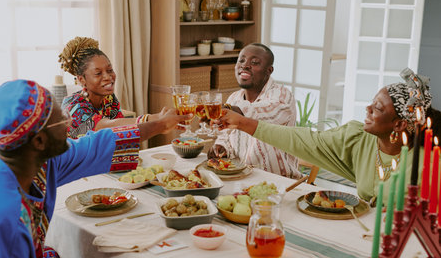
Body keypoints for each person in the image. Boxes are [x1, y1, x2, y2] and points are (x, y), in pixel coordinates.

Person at [0, 79, 191, 258]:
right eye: (62, 120)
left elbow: (97, 144)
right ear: (40, 141)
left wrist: (161, 124)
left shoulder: (38, 160)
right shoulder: (5, 217)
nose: (69, 124)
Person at [215, 68, 441, 203]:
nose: (367, 109)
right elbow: (305, 141)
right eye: (371, 102)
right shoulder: (360, 139)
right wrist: (243, 123)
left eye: (378, 108)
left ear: (400, 124)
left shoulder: (430, 163)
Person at [207, 43, 300, 179]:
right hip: (242, 178)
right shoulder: (234, 98)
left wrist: (235, 110)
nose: (245, 65)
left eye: (255, 62)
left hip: (279, 181)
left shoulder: (282, 95)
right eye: (241, 60)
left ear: (269, 70)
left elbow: (269, 112)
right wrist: (221, 147)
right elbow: (226, 135)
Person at [58, 36, 162, 139]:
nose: (108, 77)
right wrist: (155, 119)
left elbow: (121, 133)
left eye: (110, 70)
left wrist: (159, 120)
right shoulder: (73, 108)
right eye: (98, 73)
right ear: (82, 80)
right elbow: (106, 127)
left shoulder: (109, 99)